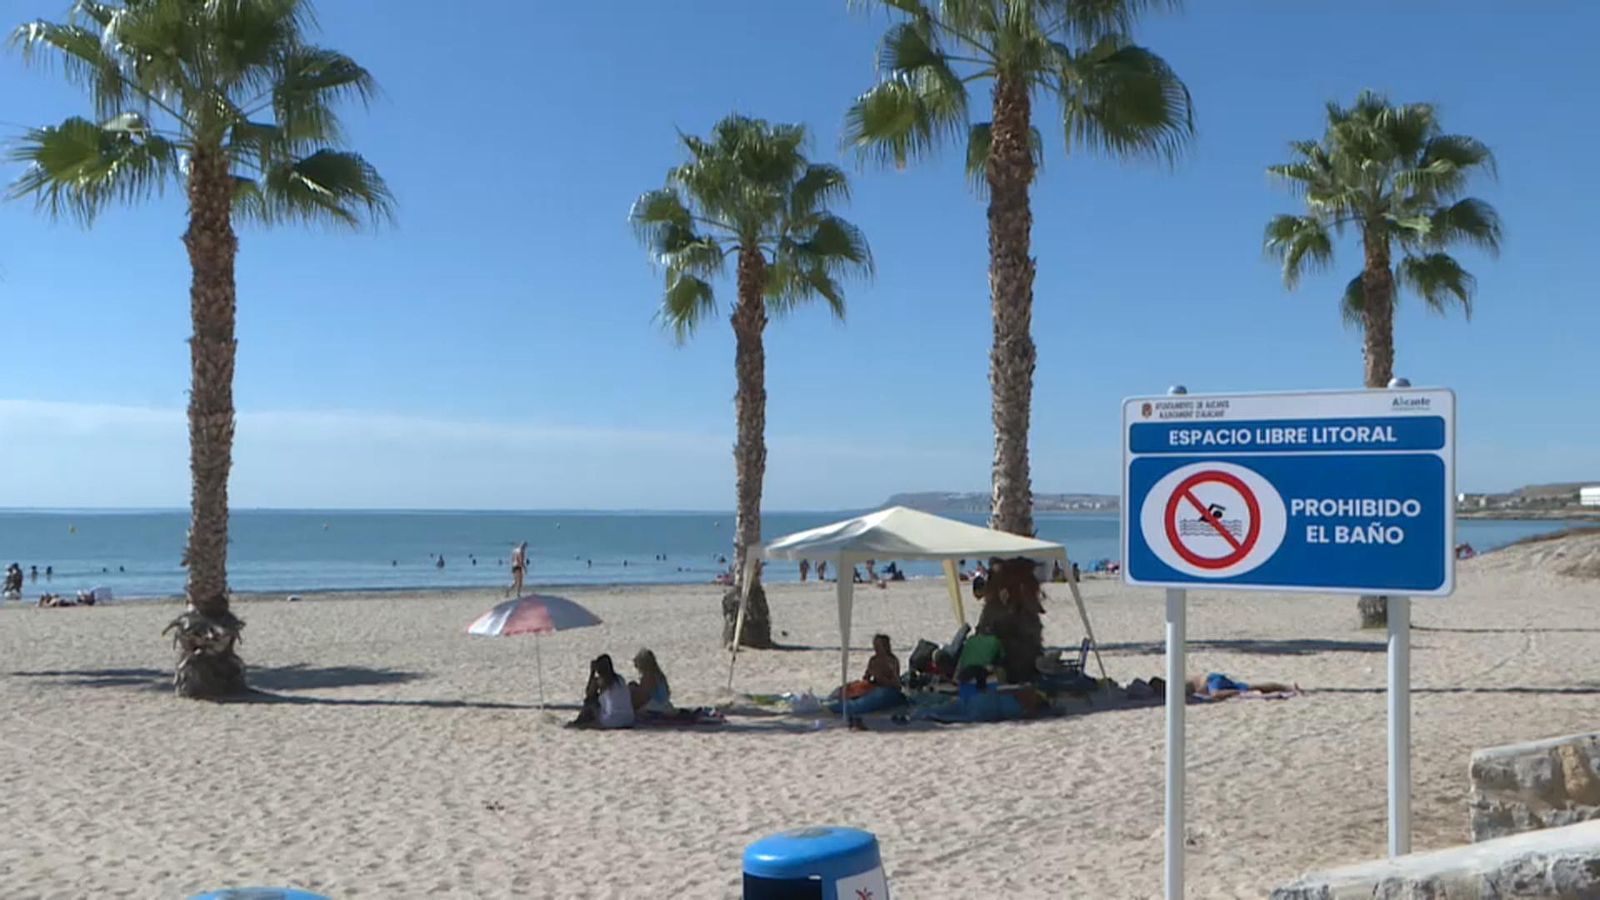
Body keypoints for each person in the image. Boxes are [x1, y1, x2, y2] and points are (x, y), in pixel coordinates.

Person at [572, 655, 635, 729]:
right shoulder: (620, 679)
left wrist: (592, 672)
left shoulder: (601, 681)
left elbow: (588, 693)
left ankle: (579, 721)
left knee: (590, 701)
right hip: (629, 719)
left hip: (612, 721)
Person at [1186, 673, 1298, 701]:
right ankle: (1287, 687)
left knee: (1216, 694)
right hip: (1213, 679)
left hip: (1210, 680)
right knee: (1251, 686)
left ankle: (1248, 694)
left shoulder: (1173, 685)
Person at [629, 648, 674, 715]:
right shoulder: (658, 674)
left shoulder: (649, 676)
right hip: (664, 704)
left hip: (658, 706)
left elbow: (644, 696)